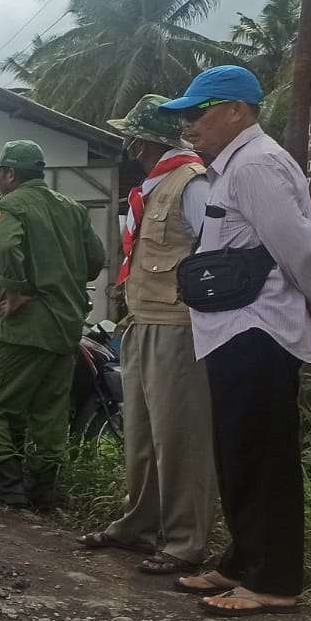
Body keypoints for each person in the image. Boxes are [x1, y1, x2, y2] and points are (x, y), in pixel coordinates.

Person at [158, 66, 311, 617]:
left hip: (258, 330)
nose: (189, 124)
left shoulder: (258, 164)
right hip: (234, 331)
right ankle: (243, 561)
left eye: (200, 111)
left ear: (238, 110)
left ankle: (275, 579)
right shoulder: (234, 165)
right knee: (238, 448)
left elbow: (301, 246)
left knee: (263, 455)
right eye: (186, 115)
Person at [77, 95, 216, 575]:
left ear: (138, 141)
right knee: (142, 434)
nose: (125, 144)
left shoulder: (191, 185)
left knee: (180, 436)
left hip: (179, 327)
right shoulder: (156, 186)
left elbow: (216, 252)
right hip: (142, 321)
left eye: (127, 137)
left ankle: (184, 542)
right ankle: (139, 524)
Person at [0, 140, 105, 509]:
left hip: (26, 325)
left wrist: (19, 288)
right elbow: (95, 260)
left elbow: (7, 248)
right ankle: (41, 490)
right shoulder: (73, 208)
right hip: (67, 326)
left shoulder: (9, 205)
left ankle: (4, 486)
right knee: (49, 411)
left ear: (9, 174)